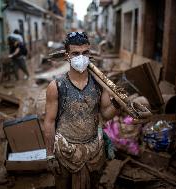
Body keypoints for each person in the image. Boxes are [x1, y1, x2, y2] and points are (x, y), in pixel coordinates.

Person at [43, 31, 120, 189]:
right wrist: (50, 154)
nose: (81, 57)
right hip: (65, 150)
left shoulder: (100, 84)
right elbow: (49, 122)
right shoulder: (56, 86)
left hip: (94, 151)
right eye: (76, 53)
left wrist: (118, 105)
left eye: (85, 52)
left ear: (90, 53)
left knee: (93, 184)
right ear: (67, 56)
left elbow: (105, 113)